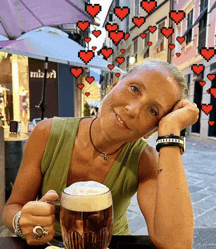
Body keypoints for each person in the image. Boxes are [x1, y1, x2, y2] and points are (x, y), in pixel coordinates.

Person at [2, 58, 199, 248]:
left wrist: (171, 130)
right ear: (114, 86)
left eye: (153, 111)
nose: (132, 109)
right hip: (51, 244)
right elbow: (13, 206)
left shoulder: (144, 159)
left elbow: (176, 243)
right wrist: (22, 222)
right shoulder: (46, 133)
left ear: (151, 131)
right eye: (135, 89)